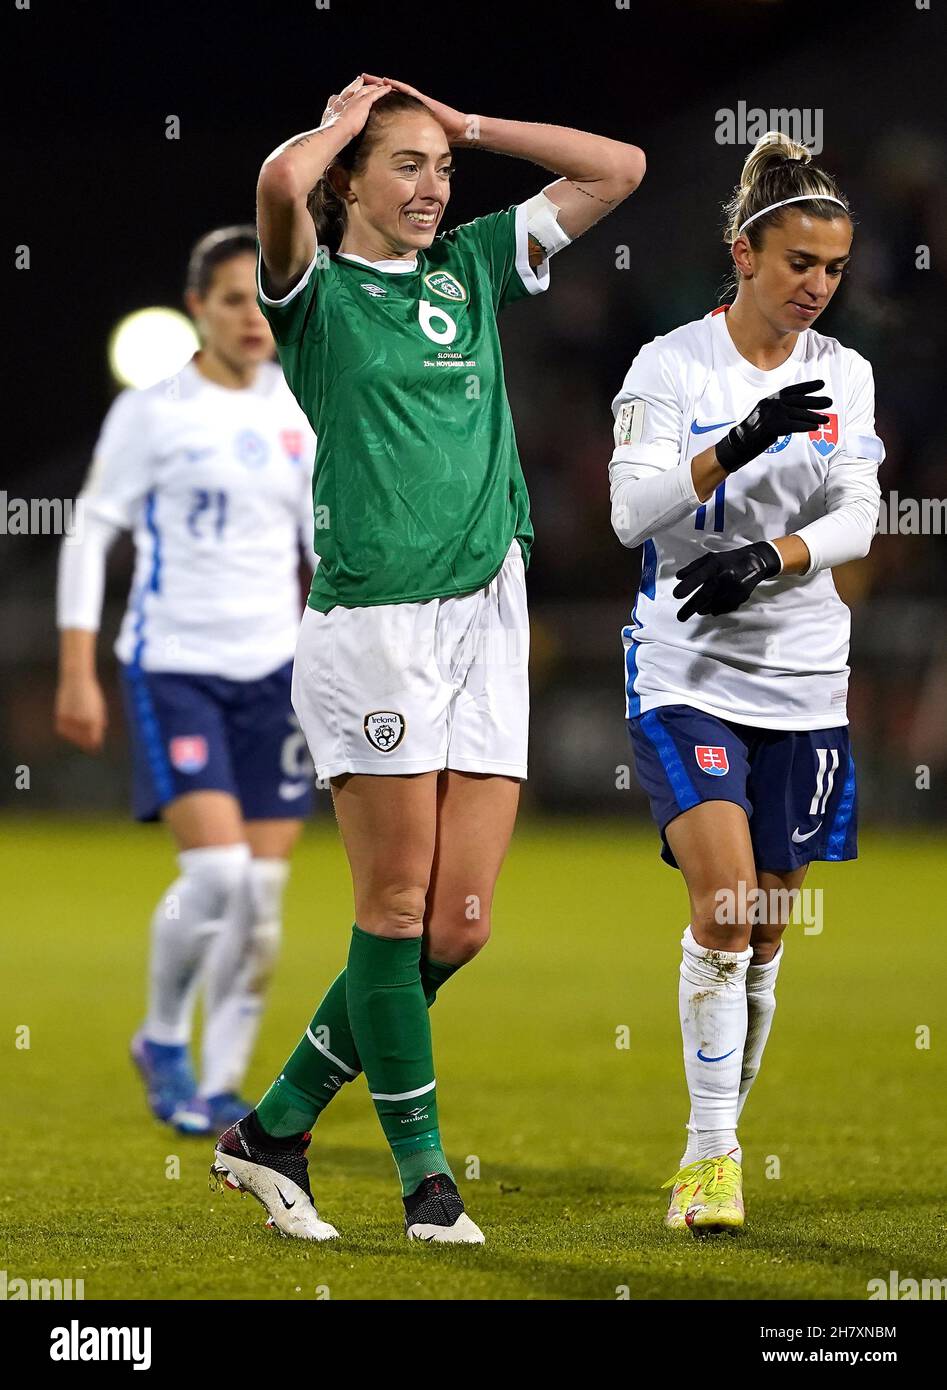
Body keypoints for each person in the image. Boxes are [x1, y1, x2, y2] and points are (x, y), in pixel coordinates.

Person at [210, 73, 645, 1243]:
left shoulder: (471, 263)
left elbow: (619, 166)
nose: (431, 187)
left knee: (454, 923)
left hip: (487, 614)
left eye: (439, 170)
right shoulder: (312, 288)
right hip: (375, 625)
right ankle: (424, 1182)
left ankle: (273, 1128)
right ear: (351, 176)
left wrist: (469, 127)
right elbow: (275, 183)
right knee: (394, 906)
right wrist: (345, 126)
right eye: (404, 167)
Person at [609, 132, 884, 1235]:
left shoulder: (847, 374)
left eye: (831, 268)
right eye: (796, 265)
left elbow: (859, 516)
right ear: (743, 253)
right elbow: (632, 513)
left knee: (765, 936)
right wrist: (737, 442)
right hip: (685, 668)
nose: (815, 287)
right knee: (722, 912)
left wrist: (766, 560)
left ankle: (716, 1140)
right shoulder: (669, 366)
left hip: (804, 682)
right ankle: (709, 1157)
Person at [55, 227, 319, 1135]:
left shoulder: (298, 405)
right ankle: (163, 1038)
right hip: (174, 664)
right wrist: (77, 668)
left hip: (275, 672)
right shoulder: (154, 409)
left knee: (263, 900)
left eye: (263, 299)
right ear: (198, 307)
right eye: (233, 300)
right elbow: (92, 531)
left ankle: (219, 1087)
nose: (253, 318)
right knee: (215, 877)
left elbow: (320, 548)